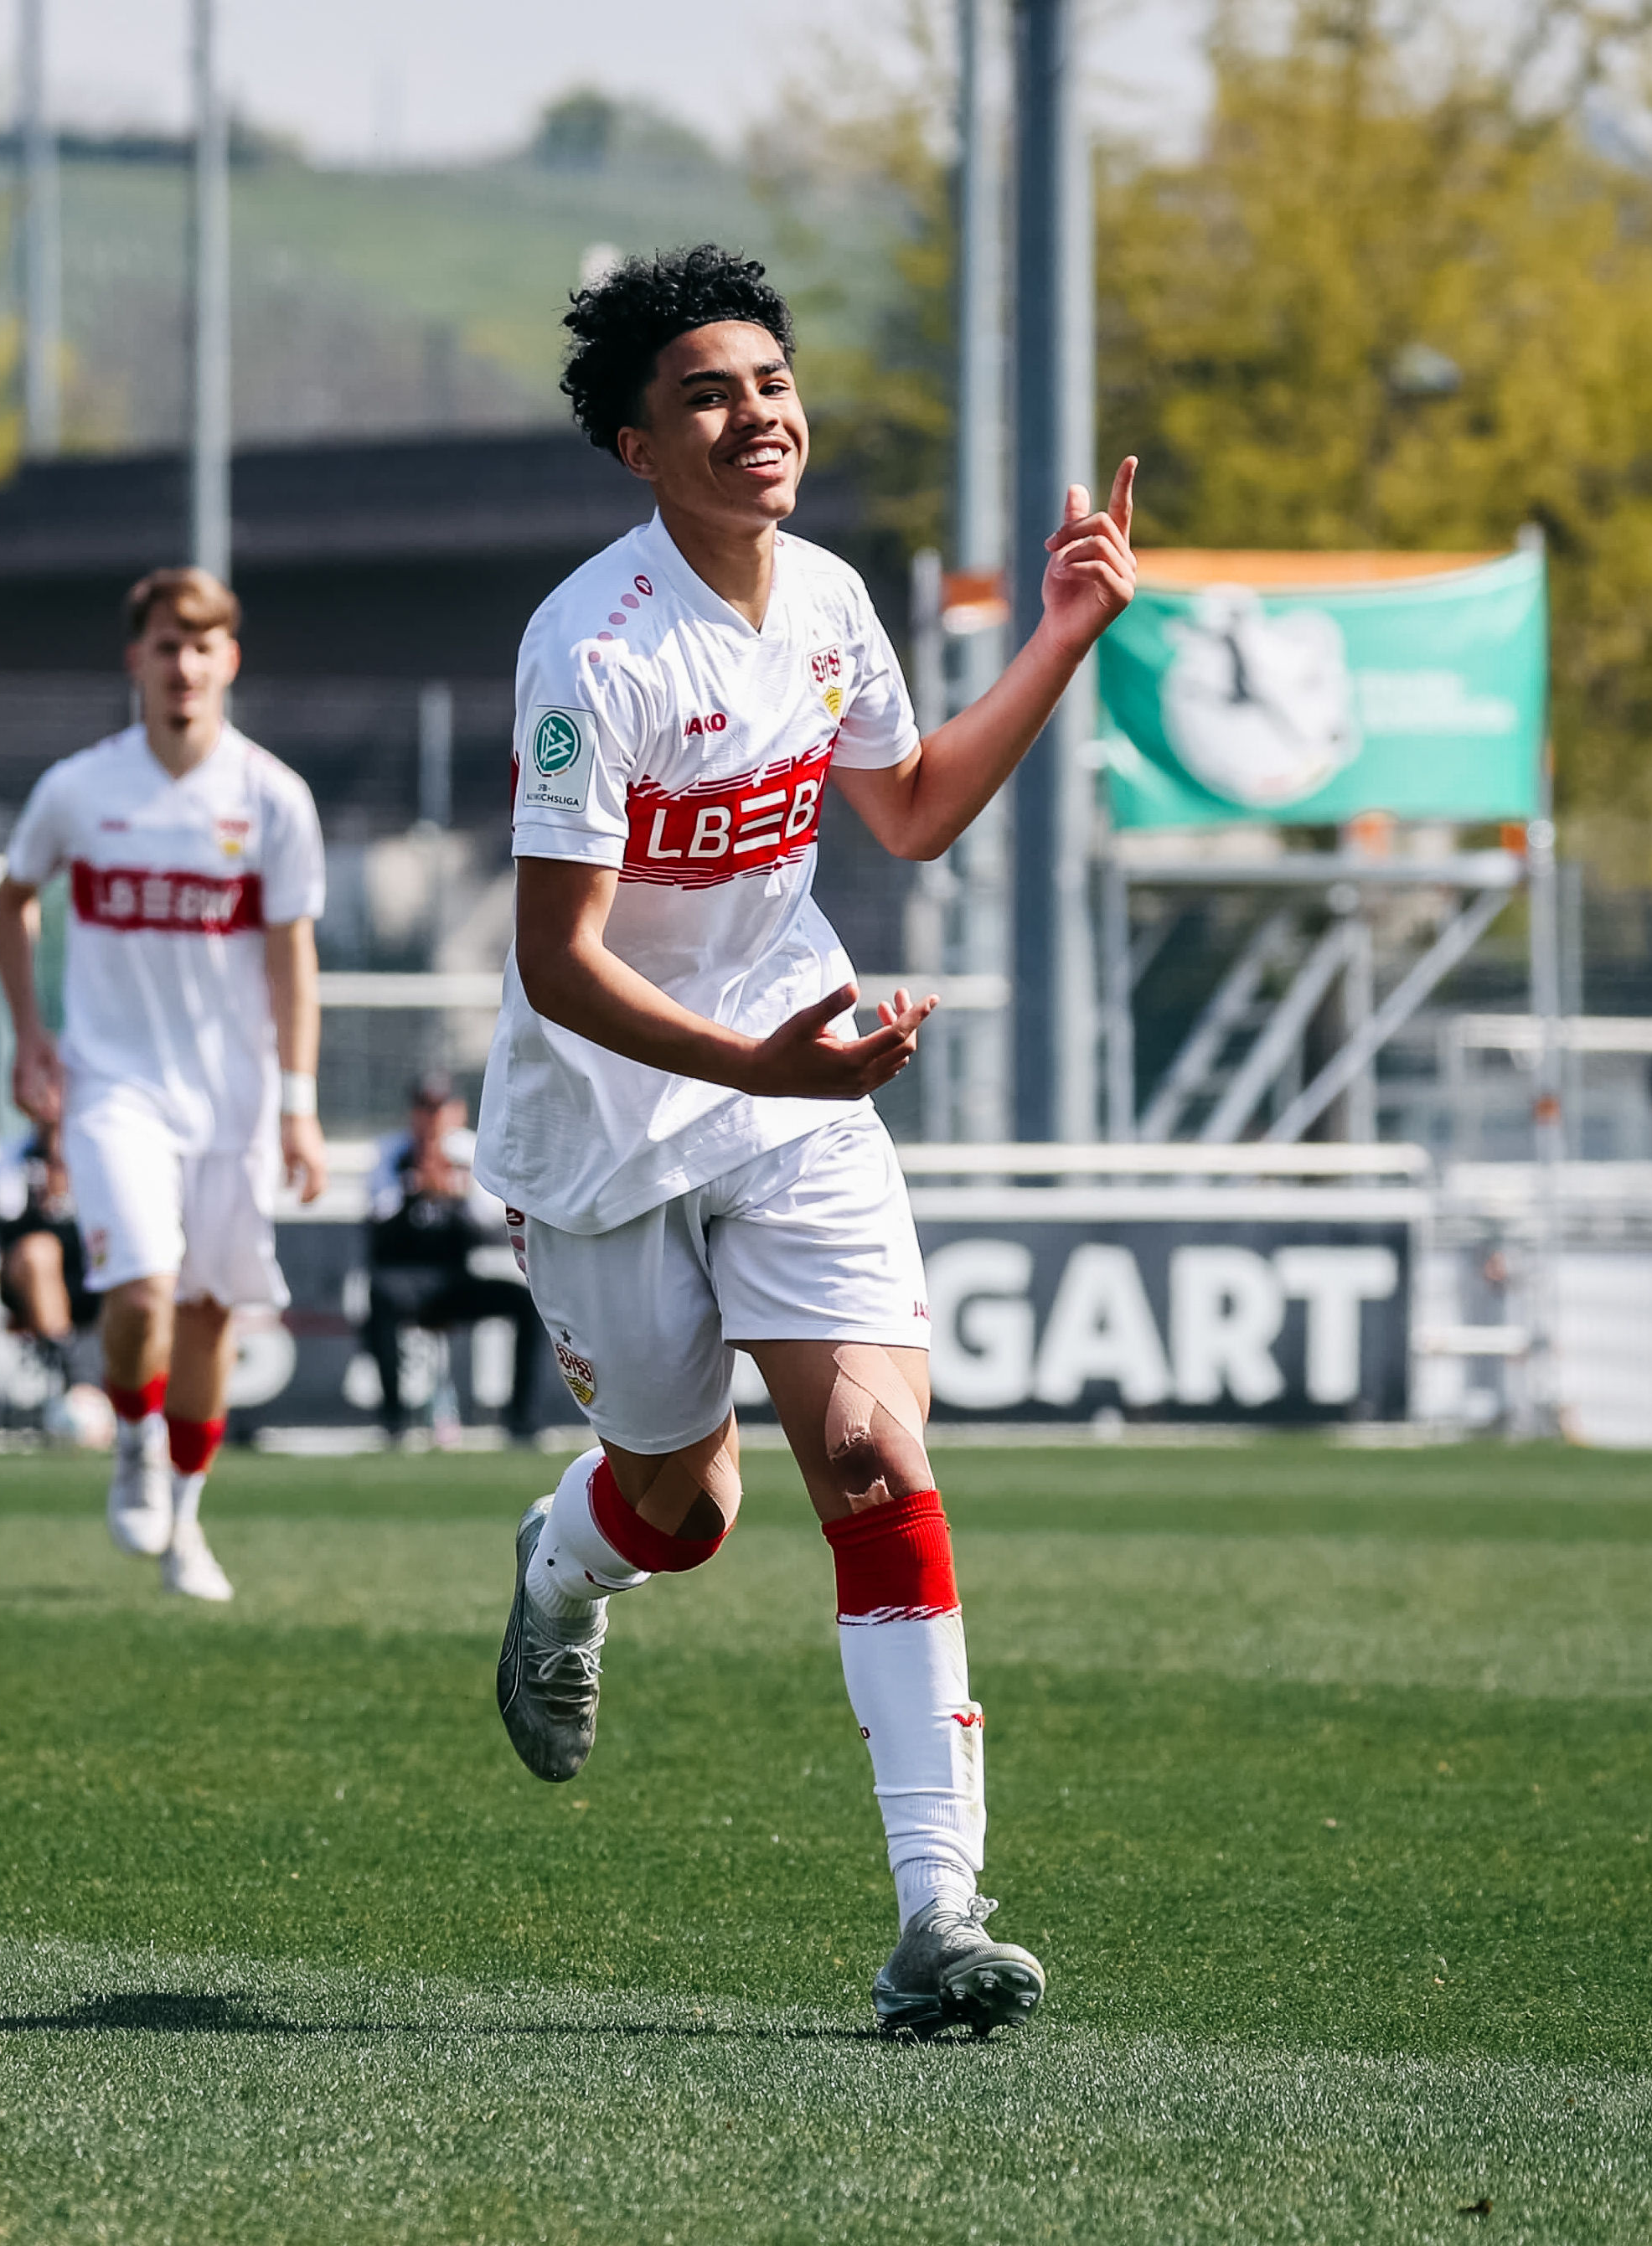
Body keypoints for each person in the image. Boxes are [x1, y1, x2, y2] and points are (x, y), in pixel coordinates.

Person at [477, 247, 1137, 2041]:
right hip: (608, 1117)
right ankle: (561, 1559)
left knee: (869, 1449)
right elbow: (558, 962)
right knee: (682, 1511)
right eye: (707, 391)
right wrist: (755, 1063)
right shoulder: (589, 644)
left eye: (769, 381)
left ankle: (939, 1912)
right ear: (636, 443)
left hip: (796, 1085)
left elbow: (910, 815)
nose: (756, 412)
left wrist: (1065, 635)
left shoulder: (834, 601)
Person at [0, 565, 326, 1602]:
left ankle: (184, 1519)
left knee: (212, 1309)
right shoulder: (80, 787)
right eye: (165, 644)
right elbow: (11, 902)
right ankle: (133, 1436)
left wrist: (297, 1103)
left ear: (228, 659)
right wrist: (30, 1035)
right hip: (112, 1084)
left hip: (232, 1095)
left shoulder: (270, 794)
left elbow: (291, 956)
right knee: (140, 1280)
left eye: (202, 643)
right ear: (134, 659)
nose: (183, 663)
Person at [360, 1073, 548, 1447]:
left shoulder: (473, 1152)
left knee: (529, 1304)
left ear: (457, 1113)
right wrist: (413, 1187)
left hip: (455, 1279)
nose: (432, 1119)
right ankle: (394, 1422)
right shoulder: (390, 1153)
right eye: (424, 1109)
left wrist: (455, 1188)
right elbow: (375, 1215)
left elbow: (495, 1217)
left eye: (440, 1109)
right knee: (378, 1297)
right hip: (405, 1279)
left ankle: (522, 1421)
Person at [0, 1123, 96, 1387]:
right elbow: (7, 1229)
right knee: (40, 1251)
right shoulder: (13, 1159)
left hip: (94, 1275)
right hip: (30, 1280)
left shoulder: (102, 1157)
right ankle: (71, 1378)